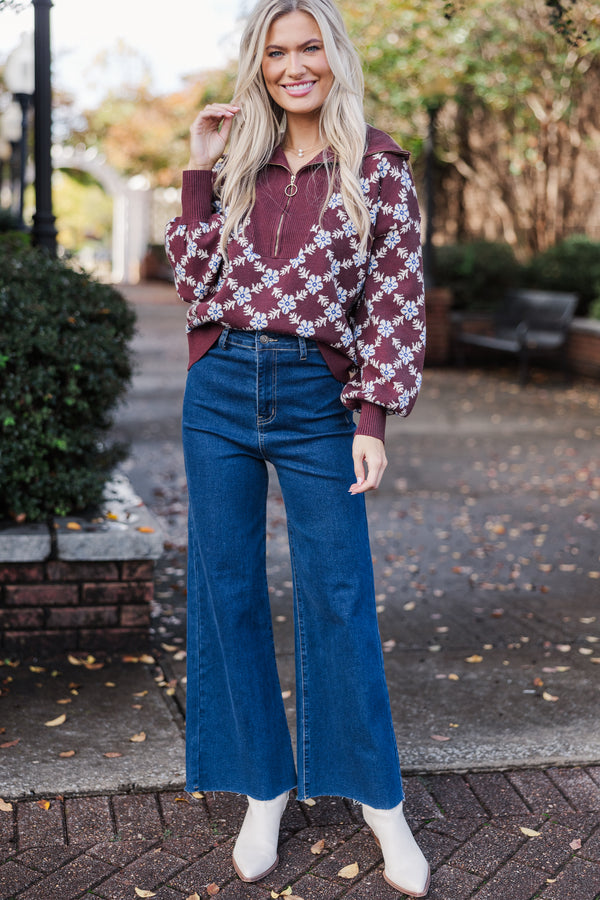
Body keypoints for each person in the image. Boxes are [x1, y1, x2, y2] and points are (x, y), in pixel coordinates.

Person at [165, 0, 429, 895]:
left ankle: (380, 806)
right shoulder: (241, 163)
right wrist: (199, 168)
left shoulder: (380, 168)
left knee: (340, 595)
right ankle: (265, 789)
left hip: (321, 396)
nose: (293, 65)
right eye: (276, 51)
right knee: (227, 589)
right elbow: (194, 285)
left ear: (334, 56)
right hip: (223, 387)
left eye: (308, 46)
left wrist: (372, 419)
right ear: (261, 65)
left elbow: (395, 299)